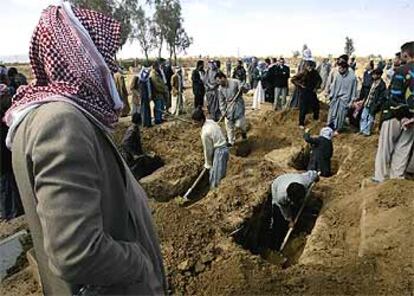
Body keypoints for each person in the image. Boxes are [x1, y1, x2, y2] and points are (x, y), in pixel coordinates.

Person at [4, 4, 166, 295]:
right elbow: (77, 252)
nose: (112, 65)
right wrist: (139, 263)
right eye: (105, 55)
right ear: (81, 54)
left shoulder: (38, 116)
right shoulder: (62, 123)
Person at [373, 41, 414, 183]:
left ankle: (380, 181)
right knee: (403, 151)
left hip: (394, 117)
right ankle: (396, 182)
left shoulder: (401, 71)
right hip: (412, 121)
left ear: (405, 54)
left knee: (385, 149)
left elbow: (394, 96)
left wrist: (402, 116)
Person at [269, 170, 319, 249]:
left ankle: (298, 228)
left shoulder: (305, 181)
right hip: (277, 184)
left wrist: (317, 176)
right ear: (290, 198)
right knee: (278, 217)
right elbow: (284, 209)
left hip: (291, 178)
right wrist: (290, 220)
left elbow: (314, 174)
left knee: (297, 208)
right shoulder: (281, 197)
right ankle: (274, 244)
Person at [191, 107, 229, 188]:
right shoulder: (210, 121)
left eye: (195, 122)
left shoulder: (205, 133)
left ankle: (215, 192)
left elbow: (208, 150)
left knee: (217, 177)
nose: (193, 124)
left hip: (220, 151)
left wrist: (208, 163)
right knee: (214, 172)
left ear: (201, 120)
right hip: (222, 148)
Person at [0, 84, 23, 221]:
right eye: (6, 96)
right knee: (6, 186)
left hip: (6, 158)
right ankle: (11, 214)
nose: (9, 98)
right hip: (3, 159)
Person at [216, 72, 247, 146]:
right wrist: (223, 111)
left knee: (239, 124)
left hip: (238, 105)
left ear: (223, 78)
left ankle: (243, 132)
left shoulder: (235, 82)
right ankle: (230, 141)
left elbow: (246, 89)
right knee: (228, 124)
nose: (218, 83)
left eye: (218, 81)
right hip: (229, 107)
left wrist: (243, 88)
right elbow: (221, 101)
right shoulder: (220, 89)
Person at [327, 58, 358, 133]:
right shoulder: (337, 75)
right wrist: (330, 96)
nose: (339, 69)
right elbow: (333, 86)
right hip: (335, 98)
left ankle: (337, 129)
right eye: (339, 68)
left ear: (345, 68)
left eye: (341, 68)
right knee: (332, 114)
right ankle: (330, 127)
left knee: (340, 116)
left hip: (344, 100)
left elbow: (353, 91)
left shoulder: (352, 78)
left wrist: (351, 101)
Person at [291, 60, 322, 129]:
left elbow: (320, 80)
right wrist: (300, 85)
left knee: (316, 106)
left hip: (312, 92)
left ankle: (315, 119)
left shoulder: (315, 73)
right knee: (303, 108)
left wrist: (316, 87)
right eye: (308, 66)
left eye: (311, 66)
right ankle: (301, 123)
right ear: (306, 66)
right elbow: (293, 79)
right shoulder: (303, 73)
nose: (310, 68)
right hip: (304, 92)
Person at [357, 68, 387, 136]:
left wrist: (377, 104)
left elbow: (381, 97)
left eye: (374, 74)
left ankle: (367, 132)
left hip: (374, 104)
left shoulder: (382, 85)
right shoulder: (371, 82)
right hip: (367, 102)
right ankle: (362, 129)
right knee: (363, 116)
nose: (373, 76)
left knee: (370, 119)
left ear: (379, 75)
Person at [150, 60, 169, 124]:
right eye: (158, 66)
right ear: (155, 66)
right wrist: (163, 90)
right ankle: (157, 119)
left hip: (160, 93)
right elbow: (157, 85)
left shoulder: (157, 72)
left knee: (161, 106)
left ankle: (160, 118)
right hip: (157, 93)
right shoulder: (153, 74)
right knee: (158, 107)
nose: (159, 67)